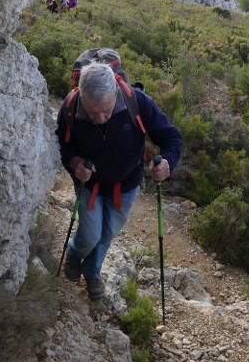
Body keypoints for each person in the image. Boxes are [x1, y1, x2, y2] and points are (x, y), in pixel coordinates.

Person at [56, 61, 183, 299]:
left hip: (125, 183)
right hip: (88, 184)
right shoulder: (71, 107)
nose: (101, 118)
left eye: (106, 110)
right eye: (93, 113)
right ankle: (74, 256)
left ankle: (92, 273)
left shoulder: (137, 102)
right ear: (81, 96)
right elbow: (61, 144)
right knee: (91, 234)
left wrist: (167, 161)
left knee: (106, 235)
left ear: (115, 91)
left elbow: (172, 137)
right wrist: (74, 164)